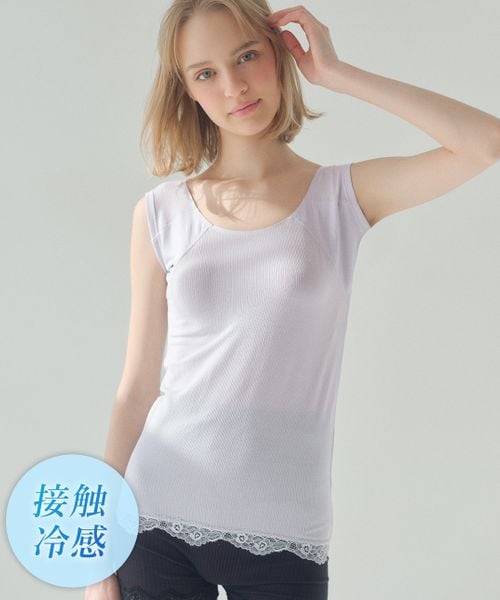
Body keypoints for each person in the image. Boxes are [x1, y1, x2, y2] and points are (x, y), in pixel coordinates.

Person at [85, 1, 500, 599]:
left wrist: (336, 72)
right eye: (206, 73)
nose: (234, 86)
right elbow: (136, 390)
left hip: (283, 535)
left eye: (247, 56)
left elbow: (485, 143)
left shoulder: (341, 198)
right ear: (187, 90)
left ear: (280, 54)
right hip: (155, 518)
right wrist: (98, 548)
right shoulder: (160, 214)